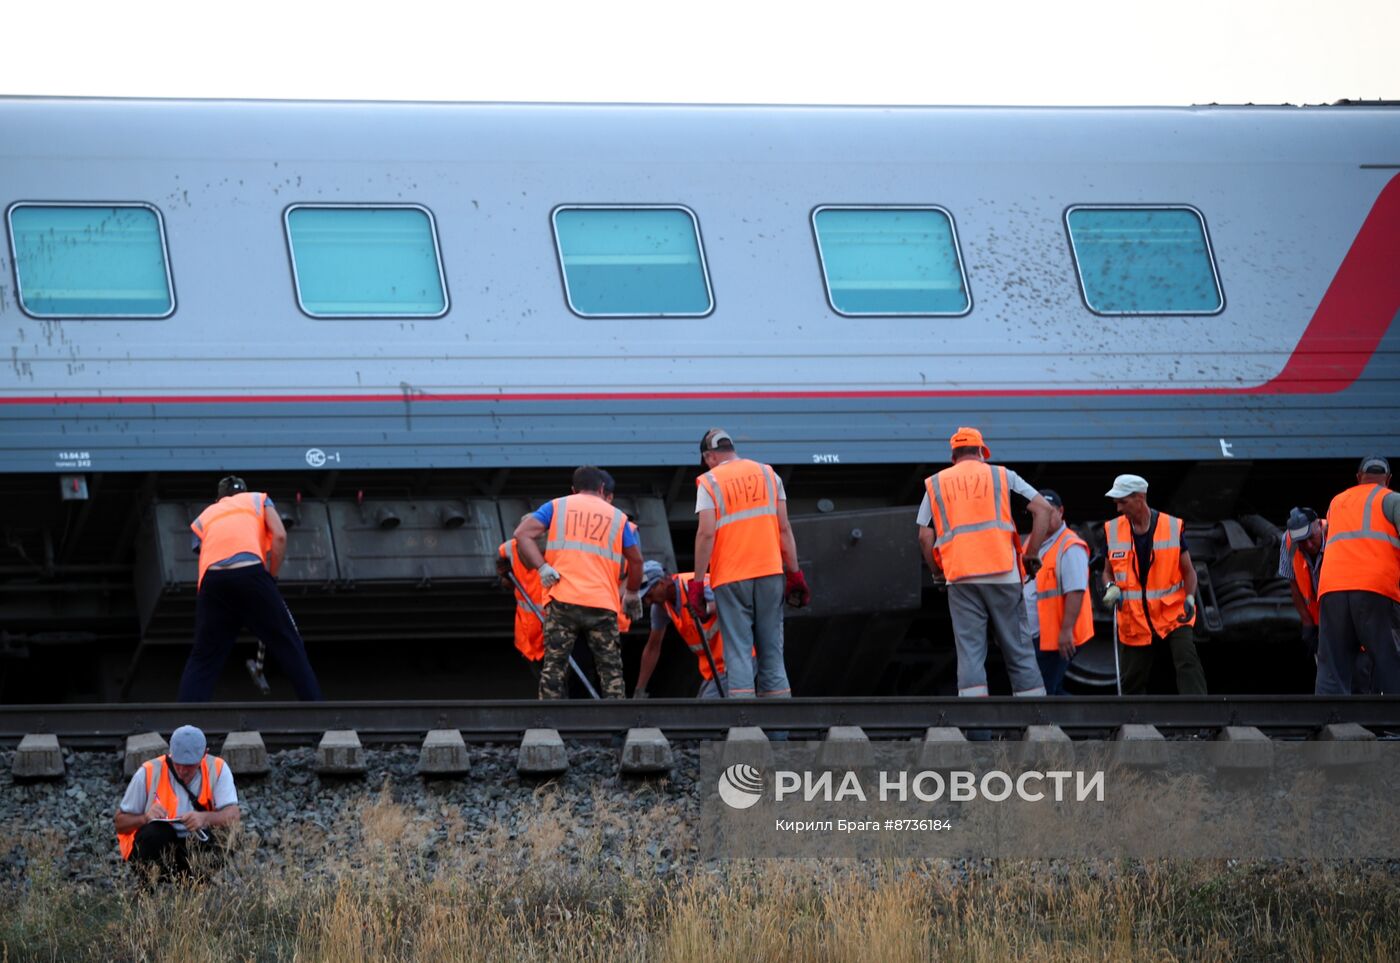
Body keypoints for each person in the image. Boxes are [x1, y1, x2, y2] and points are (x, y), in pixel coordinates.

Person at [918, 427, 1050, 697]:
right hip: (1004, 573)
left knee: (970, 652)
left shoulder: (936, 482)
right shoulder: (1002, 475)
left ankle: (976, 727)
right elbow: (1043, 509)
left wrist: (936, 573)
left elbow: (924, 534)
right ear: (981, 452)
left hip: (960, 576)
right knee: (1019, 648)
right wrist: (1031, 553)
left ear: (953, 456)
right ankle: (1037, 720)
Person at [177, 476, 322, 701]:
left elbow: (208, 549)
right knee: (288, 643)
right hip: (251, 575)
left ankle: (184, 726)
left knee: (204, 656)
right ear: (244, 491)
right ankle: (318, 715)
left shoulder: (206, 515)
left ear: (219, 498)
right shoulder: (258, 499)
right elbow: (280, 536)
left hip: (213, 582)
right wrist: (271, 577)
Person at [692, 428, 810, 699]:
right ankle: (778, 731)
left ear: (709, 456)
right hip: (770, 572)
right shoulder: (769, 475)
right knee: (772, 651)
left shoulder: (709, 481)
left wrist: (698, 582)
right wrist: (794, 573)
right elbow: (783, 529)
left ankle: (745, 728)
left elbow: (706, 533)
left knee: (738, 652)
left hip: (731, 577)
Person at [512, 465, 644, 699]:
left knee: (554, 666)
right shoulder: (618, 518)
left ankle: (548, 726)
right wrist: (632, 592)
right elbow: (636, 560)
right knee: (610, 670)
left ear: (573, 489)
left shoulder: (557, 506)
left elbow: (522, 533)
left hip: (563, 599)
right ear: (602, 487)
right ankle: (619, 726)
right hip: (602, 603)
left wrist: (542, 567)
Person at [1101, 474, 1207, 695]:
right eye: (1117, 503)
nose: (1119, 508)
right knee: (1133, 679)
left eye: (1123, 502)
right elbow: (1107, 571)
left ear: (1140, 498)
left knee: (1187, 660)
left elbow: (1189, 572)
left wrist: (1189, 597)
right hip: (1135, 617)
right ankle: (1133, 724)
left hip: (1173, 613)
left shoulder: (1171, 526)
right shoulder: (1112, 530)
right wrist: (1110, 585)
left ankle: (1199, 718)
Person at [1315, 456, 1400, 695]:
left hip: (1332, 589)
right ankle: (1393, 721)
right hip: (1375, 588)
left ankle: (1332, 720)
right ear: (1388, 479)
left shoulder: (1336, 502)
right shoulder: (1392, 499)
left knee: (1332, 662)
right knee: (1388, 657)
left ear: (1358, 477)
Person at [115, 725, 239, 879]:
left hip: (196, 842)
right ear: (170, 754)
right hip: (159, 845)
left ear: (204, 755)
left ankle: (195, 885)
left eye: (189, 766)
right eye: (177, 763)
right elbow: (120, 823)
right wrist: (145, 818)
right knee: (155, 833)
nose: (182, 771)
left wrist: (204, 818)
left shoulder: (218, 768)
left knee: (227, 837)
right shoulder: (148, 772)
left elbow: (233, 816)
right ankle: (149, 887)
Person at [634, 560, 732, 698]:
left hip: (734, 660)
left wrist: (708, 608)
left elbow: (735, 604)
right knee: (702, 710)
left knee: (706, 714)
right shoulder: (661, 607)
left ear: (661, 584)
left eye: (649, 596)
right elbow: (652, 647)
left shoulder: (696, 585)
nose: (648, 602)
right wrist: (640, 689)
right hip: (713, 669)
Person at [1029, 490, 1093, 695]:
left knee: (1044, 692)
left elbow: (1075, 591)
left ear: (1061, 512)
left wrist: (1066, 631)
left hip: (1055, 636)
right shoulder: (1034, 542)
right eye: (1039, 514)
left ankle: (1073, 722)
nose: (1045, 518)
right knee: (1050, 690)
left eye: (1049, 512)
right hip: (1039, 634)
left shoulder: (1069, 546)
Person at [497, 537, 545, 665]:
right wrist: (506, 576)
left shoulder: (557, 551)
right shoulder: (509, 550)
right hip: (529, 637)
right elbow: (506, 584)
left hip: (554, 636)